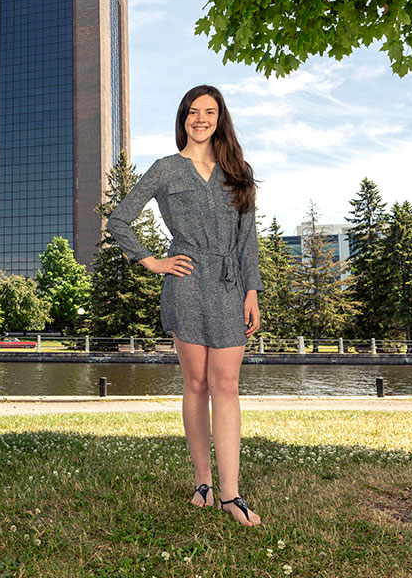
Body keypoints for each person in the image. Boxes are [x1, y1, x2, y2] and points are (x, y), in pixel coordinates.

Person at [106, 84, 263, 527]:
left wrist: (252, 291)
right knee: (196, 384)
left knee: (226, 385)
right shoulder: (166, 170)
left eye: (209, 112)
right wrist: (151, 261)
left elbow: (247, 239)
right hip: (187, 284)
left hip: (231, 285)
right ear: (183, 118)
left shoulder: (239, 171)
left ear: (220, 118)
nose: (201, 119)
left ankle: (231, 494)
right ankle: (203, 483)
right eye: (193, 112)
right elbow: (119, 218)